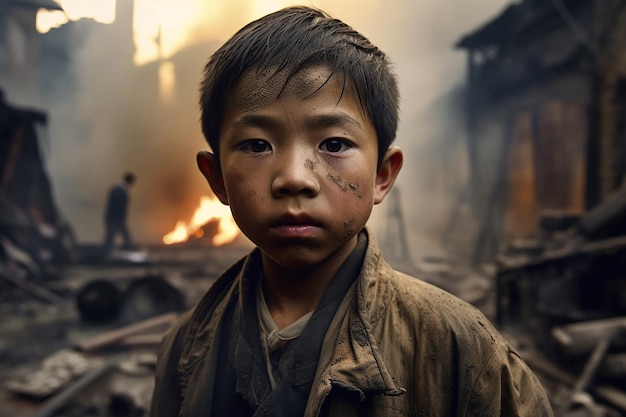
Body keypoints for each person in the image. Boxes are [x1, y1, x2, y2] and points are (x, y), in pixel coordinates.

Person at [150, 6, 554, 417]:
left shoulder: (460, 348)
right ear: (216, 177)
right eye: (257, 145)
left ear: (382, 174)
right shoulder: (187, 349)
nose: (294, 179)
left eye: (334, 144)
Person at [103, 172, 135, 250]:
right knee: (124, 238)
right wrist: (120, 218)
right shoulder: (119, 191)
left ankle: (105, 255)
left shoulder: (117, 190)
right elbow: (117, 207)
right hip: (115, 219)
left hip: (114, 219)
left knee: (111, 238)